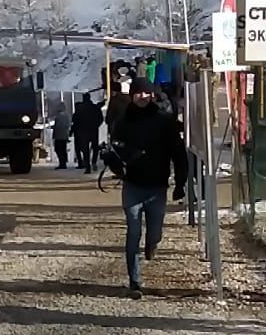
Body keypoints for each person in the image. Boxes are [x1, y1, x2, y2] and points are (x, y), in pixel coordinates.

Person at [109, 78, 188, 300]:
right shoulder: (123, 121)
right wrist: (115, 161)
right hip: (133, 185)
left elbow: (178, 153)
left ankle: (152, 244)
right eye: (138, 93)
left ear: (152, 95)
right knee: (133, 232)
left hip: (157, 187)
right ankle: (135, 282)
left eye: (146, 93)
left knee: (155, 233)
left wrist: (180, 183)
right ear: (132, 95)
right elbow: (115, 148)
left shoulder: (164, 121)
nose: (142, 97)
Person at [73, 93, 102, 173]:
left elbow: (75, 119)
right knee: (95, 147)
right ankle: (94, 162)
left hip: (83, 131)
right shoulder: (95, 107)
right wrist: (96, 125)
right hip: (94, 130)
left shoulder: (80, 109)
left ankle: (87, 167)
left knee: (85, 150)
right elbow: (101, 118)